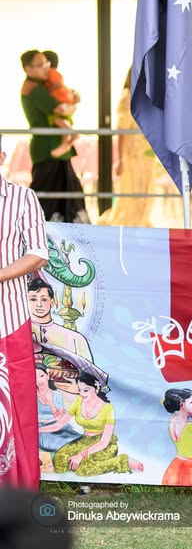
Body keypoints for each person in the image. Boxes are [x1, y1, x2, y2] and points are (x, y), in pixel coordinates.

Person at [0, 134, 49, 489]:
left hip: (10, 316)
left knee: (16, 405)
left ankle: (19, 489)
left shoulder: (22, 198)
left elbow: (38, 253)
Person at [20, 49, 89, 224]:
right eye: (41, 65)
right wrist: (74, 101)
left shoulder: (43, 87)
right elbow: (62, 109)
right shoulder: (36, 91)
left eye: (47, 64)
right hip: (48, 149)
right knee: (45, 200)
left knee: (67, 197)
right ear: (28, 69)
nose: (46, 68)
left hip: (55, 149)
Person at [42, 372, 144, 476]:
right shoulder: (78, 401)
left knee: (83, 468)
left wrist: (80, 456)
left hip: (103, 443)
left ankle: (123, 460)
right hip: (84, 440)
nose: (82, 394)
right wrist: (36, 429)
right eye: (79, 390)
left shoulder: (108, 409)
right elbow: (59, 425)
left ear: (96, 389)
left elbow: (104, 442)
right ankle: (96, 460)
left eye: (86, 390)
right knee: (59, 461)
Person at [98, 69, 163, 227]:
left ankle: (141, 221)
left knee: (146, 192)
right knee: (132, 192)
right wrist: (120, 160)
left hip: (148, 155)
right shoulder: (128, 98)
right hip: (133, 154)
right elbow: (122, 131)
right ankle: (131, 224)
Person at [41, 50, 80, 159]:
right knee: (63, 122)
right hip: (65, 101)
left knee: (59, 121)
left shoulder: (50, 73)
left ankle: (66, 141)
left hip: (60, 101)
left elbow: (57, 85)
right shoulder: (57, 74)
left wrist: (49, 91)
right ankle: (67, 140)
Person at [35, 363, 81, 455]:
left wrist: (51, 402)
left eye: (41, 375)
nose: (39, 380)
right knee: (52, 442)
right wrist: (45, 421)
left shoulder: (57, 394)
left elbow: (59, 417)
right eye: (35, 377)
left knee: (76, 438)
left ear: (47, 376)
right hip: (40, 428)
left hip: (57, 425)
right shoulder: (31, 396)